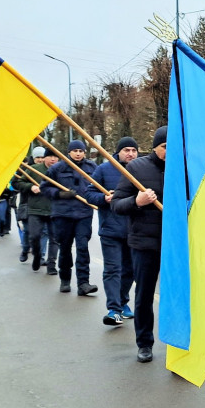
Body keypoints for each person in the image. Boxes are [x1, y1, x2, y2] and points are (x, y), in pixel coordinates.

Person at [112, 126, 166, 363]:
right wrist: (138, 200)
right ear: (154, 146)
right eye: (165, 147)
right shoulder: (136, 169)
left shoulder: (184, 168)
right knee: (144, 295)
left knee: (180, 293)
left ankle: (181, 340)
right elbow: (117, 205)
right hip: (144, 243)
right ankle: (144, 343)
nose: (169, 152)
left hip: (176, 243)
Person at [87, 136, 139, 328]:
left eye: (134, 150)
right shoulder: (103, 169)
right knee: (113, 270)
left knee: (130, 270)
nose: (131, 154)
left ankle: (123, 300)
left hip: (134, 229)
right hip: (110, 229)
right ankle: (114, 310)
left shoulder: (141, 169)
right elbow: (89, 193)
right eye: (127, 150)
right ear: (118, 152)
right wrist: (103, 198)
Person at [42, 140, 98, 296]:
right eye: (75, 151)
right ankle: (65, 280)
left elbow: (100, 186)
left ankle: (83, 283)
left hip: (84, 214)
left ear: (85, 152)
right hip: (63, 214)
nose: (78, 153)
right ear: (69, 152)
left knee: (82, 247)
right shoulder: (57, 168)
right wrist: (59, 194)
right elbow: (44, 187)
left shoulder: (92, 168)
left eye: (81, 151)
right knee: (65, 248)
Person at [13, 148, 58, 274]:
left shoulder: (61, 171)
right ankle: (37, 255)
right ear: (44, 158)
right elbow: (17, 182)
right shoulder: (34, 170)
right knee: (34, 236)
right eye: (50, 156)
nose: (53, 159)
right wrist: (30, 187)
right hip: (35, 209)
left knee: (55, 239)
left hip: (55, 210)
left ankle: (51, 264)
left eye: (56, 157)